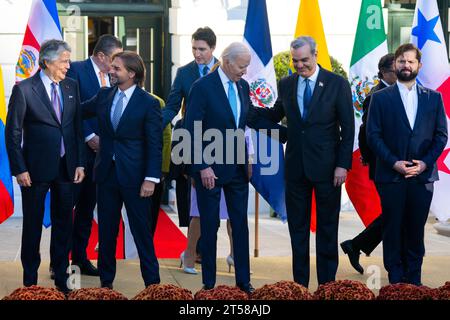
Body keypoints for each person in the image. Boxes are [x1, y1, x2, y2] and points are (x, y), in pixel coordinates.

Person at [253, 36, 354, 287]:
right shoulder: (286, 83)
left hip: (329, 169)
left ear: (316, 55)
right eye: (295, 61)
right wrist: (246, 111)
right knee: (297, 231)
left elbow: (348, 128)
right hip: (296, 169)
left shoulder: (337, 84)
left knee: (327, 230)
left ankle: (326, 286)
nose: (300, 65)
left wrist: (343, 165)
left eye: (304, 60)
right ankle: (299, 286)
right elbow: (274, 116)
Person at [184, 42, 283, 293]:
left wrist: (286, 134)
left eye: (247, 66)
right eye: (242, 66)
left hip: (238, 168)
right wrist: (202, 165)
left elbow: (247, 122)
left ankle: (243, 281)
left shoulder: (243, 86)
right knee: (210, 224)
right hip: (210, 170)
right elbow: (191, 128)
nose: (245, 71)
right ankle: (208, 283)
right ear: (227, 62)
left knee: (239, 224)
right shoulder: (202, 87)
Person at [5, 39, 85, 294]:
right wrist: (19, 168)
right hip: (34, 170)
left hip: (66, 167)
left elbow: (76, 127)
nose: (68, 65)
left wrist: (80, 162)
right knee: (32, 224)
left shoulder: (72, 86)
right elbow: (13, 133)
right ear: (47, 62)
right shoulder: (25, 89)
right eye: (64, 61)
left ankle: (61, 277)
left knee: (64, 224)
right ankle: (30, 281)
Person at [366, 43, 447, 285]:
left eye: (411, 61)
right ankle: (396, 281)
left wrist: (424, 163)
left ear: (419, 66)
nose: (406, 65)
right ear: (395, 64)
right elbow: (373, 135)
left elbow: (441, 136)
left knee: (415, 230)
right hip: (391, 177)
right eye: (402, 61)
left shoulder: (434, 98)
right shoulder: (379, 98)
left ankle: (414, 281)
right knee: (392, 230)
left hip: (422, 178)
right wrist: (394, 162)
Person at [82, 51, 162, 289]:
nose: (111, 71)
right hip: (106, 174)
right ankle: (106, 286)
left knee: (141, 233)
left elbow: (154, 143)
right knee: (106, 233)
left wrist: (151, 178)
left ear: (132, 73)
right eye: (112, 67)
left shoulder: (148, 103)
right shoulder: (104, 95)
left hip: (137, 179)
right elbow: (76, 110)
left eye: (116, 68)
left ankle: (153, 286)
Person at [59, 34, 123, 277]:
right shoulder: (75, 70)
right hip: (77, 153)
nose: (117, 64)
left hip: (102, 157)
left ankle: (80, 258)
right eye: (114, 59)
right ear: (101, 56)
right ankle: (60, 263)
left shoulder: (115, 77)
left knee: (87, 209)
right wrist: (88, 136)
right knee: (67, 208)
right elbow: (69, 109)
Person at [340, 53, 396, 274]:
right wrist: (368, 156)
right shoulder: (376, 95)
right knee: (394, 213)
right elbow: (367, 131)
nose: (400, 72)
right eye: (394, 69)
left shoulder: (398, 92)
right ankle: (358, 245)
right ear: (383, 72)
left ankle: (356, 245)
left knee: (395, 213)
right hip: (384, 164)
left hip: (396, 164)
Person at [164, 26, 219, 232]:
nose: (197, 53)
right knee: (188, 194)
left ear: (213, 48)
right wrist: (154, 127)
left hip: (218, 142)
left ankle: (205, 246)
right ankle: (193, 247)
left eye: (202, 49)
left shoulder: (224, 70)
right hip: (189, 139)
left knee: (215, 198)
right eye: (194, 48)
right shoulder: (184, 72)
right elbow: (172, 106)